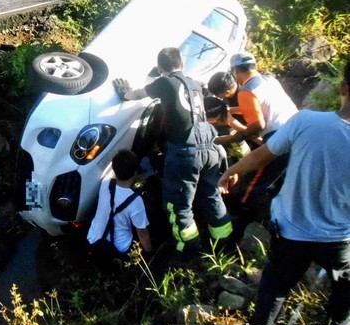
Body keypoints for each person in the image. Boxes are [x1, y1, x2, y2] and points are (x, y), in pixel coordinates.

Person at [218, 59, 350, 325]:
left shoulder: (306, 121)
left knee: (275, 288)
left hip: (291, 235)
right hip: (340, 240)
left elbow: (261, 155)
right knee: (344, 286)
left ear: (343, 89)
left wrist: (232, 170)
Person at [113, 47, 232, 258]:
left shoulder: (164, 82)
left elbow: (139, 94)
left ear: (160, 69)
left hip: (186, 152)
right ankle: (223, 239)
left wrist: (125, 93)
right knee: (211, 193)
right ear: (182, 64)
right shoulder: (195, 84)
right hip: (209, 147)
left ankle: (189, 250)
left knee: (179, 206)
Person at [220, 52, 298, 234]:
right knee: (287, 171)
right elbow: (260, 105)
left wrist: (236, 135)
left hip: (280, 137)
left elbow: (258, 125)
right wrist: (232, 110)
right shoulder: (269, 80)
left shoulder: (246, 91)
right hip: (297, 128)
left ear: (236, 71)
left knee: (256, 178)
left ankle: (244, 213)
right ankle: (280, 199)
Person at [87, 150, 152, 268]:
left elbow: (114, 170)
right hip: (119, 249)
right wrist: (149, 255)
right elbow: (142, 233)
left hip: (93, 240)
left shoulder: (105, 183)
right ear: (135, 172)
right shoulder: (136, 202)